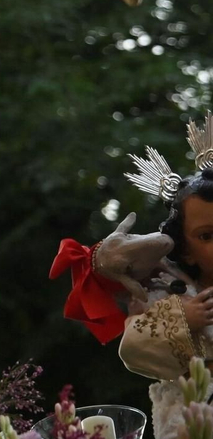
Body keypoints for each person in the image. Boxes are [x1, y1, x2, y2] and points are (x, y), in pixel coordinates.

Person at [120, 127, 213, 438]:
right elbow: (134, 348)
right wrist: (183, 319)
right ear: (185, 249)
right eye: (207, 236)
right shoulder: (171, 292)